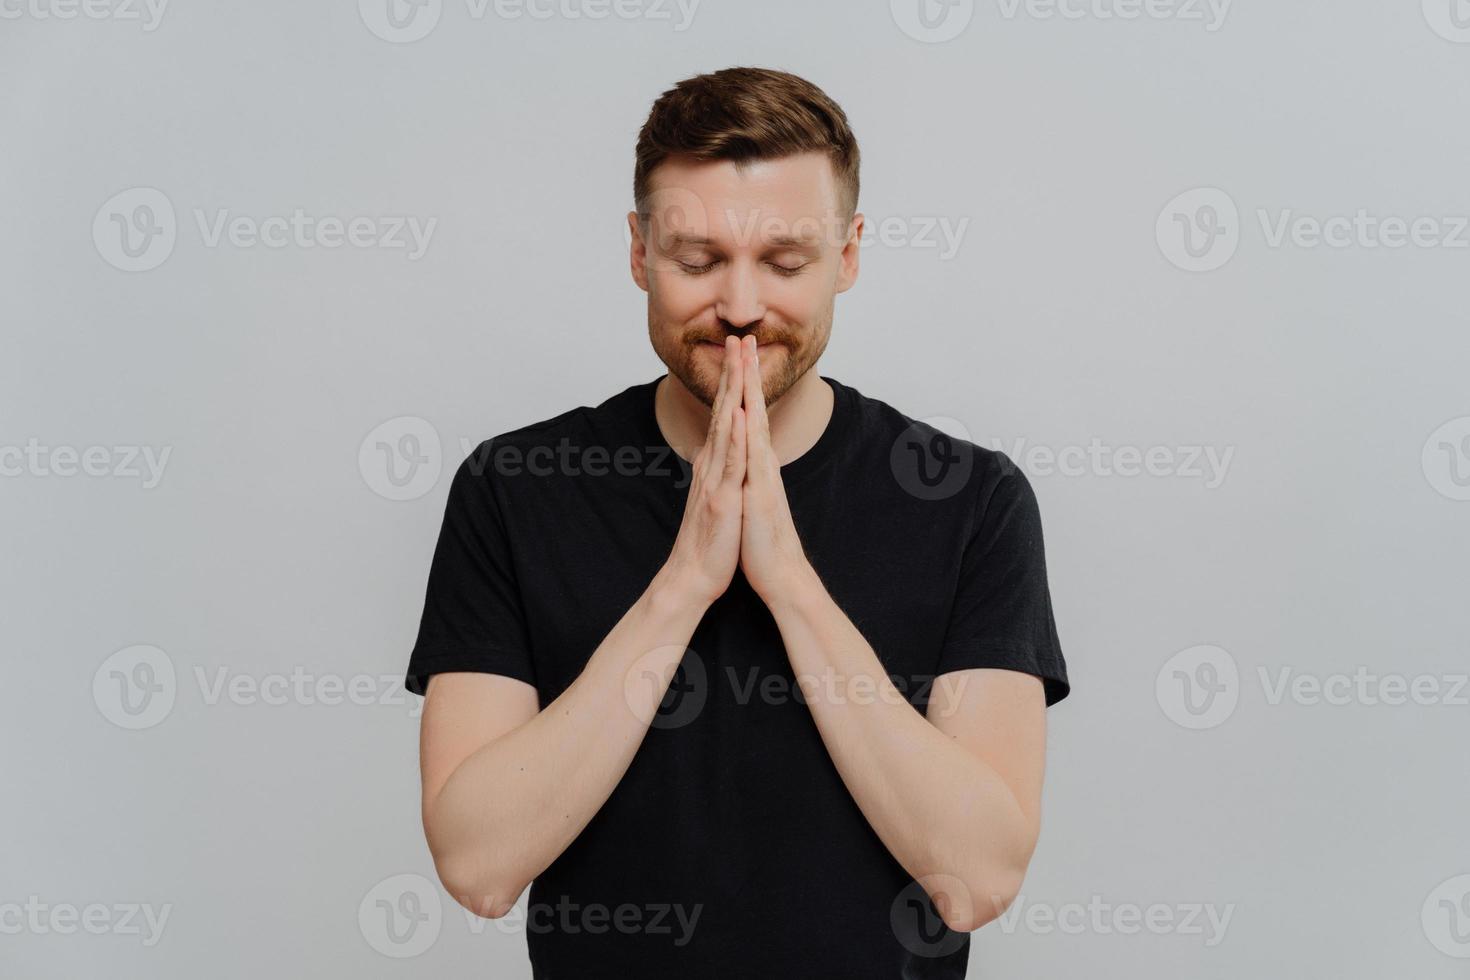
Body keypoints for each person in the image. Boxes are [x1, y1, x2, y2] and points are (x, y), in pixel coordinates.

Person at [405, 65, 1070, 979]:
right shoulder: (515, 487)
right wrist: (684, 583)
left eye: (786, 262)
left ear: (849, 255)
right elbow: (478, 868)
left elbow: (977, 879)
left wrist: (790, 583)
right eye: (698, 259)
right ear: (639, 252)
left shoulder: (971, 501)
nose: (744, 307)